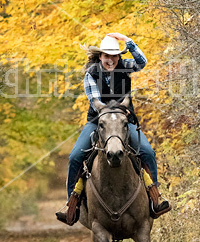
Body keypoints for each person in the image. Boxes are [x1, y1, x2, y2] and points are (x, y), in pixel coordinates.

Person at [56, 32, 171, 225]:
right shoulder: (91, 73)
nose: (110, 60)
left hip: (125, 122)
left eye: (114, 55)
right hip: (98, 121)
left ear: (119, 56)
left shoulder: (125, 66)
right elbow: (96, 103)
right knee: (75, 156)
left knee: (147, 152)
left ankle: (154, 199)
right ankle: (72, 205)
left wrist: (128, 41)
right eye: (107, 56)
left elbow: (142, 62)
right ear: (100, 56)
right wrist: (117, 111)